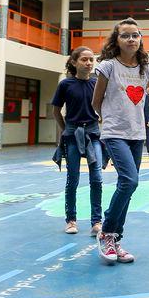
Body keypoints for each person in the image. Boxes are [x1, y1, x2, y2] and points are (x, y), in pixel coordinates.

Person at [92, 18, 149, 264]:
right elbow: (96, 101)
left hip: (137, 134)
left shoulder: (146, 70)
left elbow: (138, 102)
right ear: (116, 41)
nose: (131, 39)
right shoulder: (108, 66)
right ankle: (107, 231)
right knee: (129, 181)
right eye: (125, 35)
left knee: (129, 187)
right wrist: (108, 122)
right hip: (114, 133)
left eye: (135, 35)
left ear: (140, 39)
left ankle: (115, 240)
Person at [52, 46, 104, 236]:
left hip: (93, 134)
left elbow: (103, 106)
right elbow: (56, 110)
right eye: (84, 59)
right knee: (72, 179)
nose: (89, 63)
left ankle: (97, 221)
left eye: (91, 59)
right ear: (74, 62)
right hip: (73, 135)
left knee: (97, 178)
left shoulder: (98, 83)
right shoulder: (65, 85)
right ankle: (71, 220)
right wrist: (65, 129)